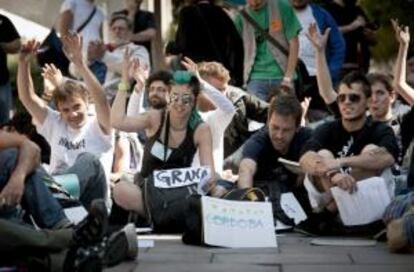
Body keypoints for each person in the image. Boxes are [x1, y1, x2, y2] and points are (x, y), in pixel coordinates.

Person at [111, 50, 217, 232]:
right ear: (168, 97)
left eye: (186, 99)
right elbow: (117, 121)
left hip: (178, 195)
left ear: (194, 101)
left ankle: (162, 218)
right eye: (175, 97)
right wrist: (124, 82)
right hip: (145, 192)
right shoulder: (155, 117)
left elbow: (210, 173)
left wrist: (212, 183)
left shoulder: (201, 129)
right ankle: (163, 218)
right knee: (120, 190)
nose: (179, 104)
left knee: (219, 189)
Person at [17, 36, 113, 210]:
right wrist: (23, 62)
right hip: (61, 203)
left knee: (88, 160)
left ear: (86, 103)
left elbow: (101, 99)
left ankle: (44, 198)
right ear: (59, 111)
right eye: (66, 110)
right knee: (25, 166)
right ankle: (46, 203)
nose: (73, 114)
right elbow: (27, 97)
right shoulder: (55, 123)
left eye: (77, 106)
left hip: (91, 201)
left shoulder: (98, 125)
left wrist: (80, 64)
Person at [299, 71, 399, 234]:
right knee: (322, 154)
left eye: (354, 98)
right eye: (342, 98)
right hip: (329, 189)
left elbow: (388, 157)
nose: (346, 103)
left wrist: (341, 162)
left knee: (371, 152)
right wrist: (334, 174)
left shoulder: (380, 129)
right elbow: (305, 158)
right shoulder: (327, 128)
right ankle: (335, 215)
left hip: (366, 207)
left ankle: (329, 213)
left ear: (367, 101)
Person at [237, 92, 312, 221]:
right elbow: (246, 169)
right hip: (265, 197)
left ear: (298, 127)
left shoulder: (309, 138)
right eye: (275, 128)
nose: (279, 135)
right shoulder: (259, 140)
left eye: (286, 130)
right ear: (268, 122)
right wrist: (249, 208)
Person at [197, 61, 269, 169]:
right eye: (215, 91)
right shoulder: (186, 110)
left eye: (224, 89)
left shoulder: (237, 97)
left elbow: (269, 113)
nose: (222, 95)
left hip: (240, 157)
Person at [233, 0, 301, 101]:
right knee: (255, 115)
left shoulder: (282, 6)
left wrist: (288, 77)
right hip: (255, 77)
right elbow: (236, 50)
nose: (254, 4)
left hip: (282, 74)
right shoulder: (240, 16)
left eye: (258, 1)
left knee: (286, 114)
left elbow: (294, 43)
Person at [167, 0, 244, 87]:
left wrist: (170, 48)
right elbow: (236, 44)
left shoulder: (187, 12)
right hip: (217, 70)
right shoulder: (221, 12)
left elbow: (181, 44)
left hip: (195, 69)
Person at [290, 0, 345, 121]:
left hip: (318, 77)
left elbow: (338, 45)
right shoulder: (280, 13)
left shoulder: (322, 14)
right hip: (290, 77)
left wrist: (330, 73)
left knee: (323, 117)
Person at [87, 15, 150, 103]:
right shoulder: (100, 48)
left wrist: (104, 56)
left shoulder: (138, 50)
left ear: (130, 32)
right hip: (91, 98)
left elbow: (137, 71)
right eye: (114, 29)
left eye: (121, 29)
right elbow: (74, 72)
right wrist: (88, 59)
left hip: (118, 100)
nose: (117, 31)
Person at [58, 0, 106, 83]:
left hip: (95, 59)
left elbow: (100, 36)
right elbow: (63, 31)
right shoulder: (72, 3)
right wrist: (72, 55)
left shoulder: (100, 12)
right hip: (77, 58)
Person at [324, 0, 375, 74]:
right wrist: (351, 26)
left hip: (361, 66)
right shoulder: (325, 10)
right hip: (338, 66)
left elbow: (373, 40)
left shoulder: (357, 10)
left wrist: (370, 35)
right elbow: (326, 32)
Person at [0, 14, 21, 125]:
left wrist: (1, 44)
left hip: (2, 82)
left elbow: (17, 45)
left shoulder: (2, 21)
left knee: (5, 121)